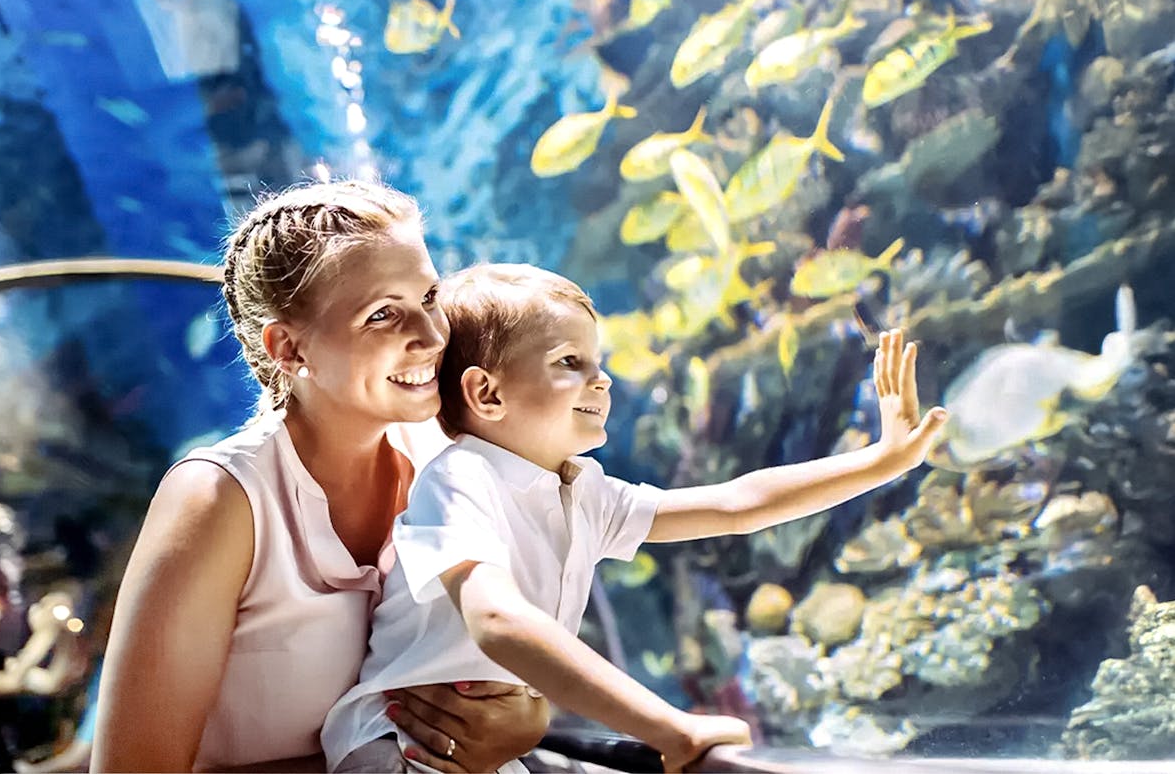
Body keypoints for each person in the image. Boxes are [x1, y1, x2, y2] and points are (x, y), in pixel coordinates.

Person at [323, 264, 948, 773]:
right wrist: (669, 728)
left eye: (599, 361)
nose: (604, 380)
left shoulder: (582, 491)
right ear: (488, 393)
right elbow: (497, 620)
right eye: (571, 362)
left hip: (478, 752)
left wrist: (879, 462)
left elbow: (736, 505)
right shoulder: (462, 479)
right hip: (395, 749)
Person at [90, 181, 551, 773]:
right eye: (383, 314)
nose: (433, 336)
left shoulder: (454, 460)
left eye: (429, 296)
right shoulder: (221, 501)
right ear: (289, 348)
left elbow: (508, 655)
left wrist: (524, 719)